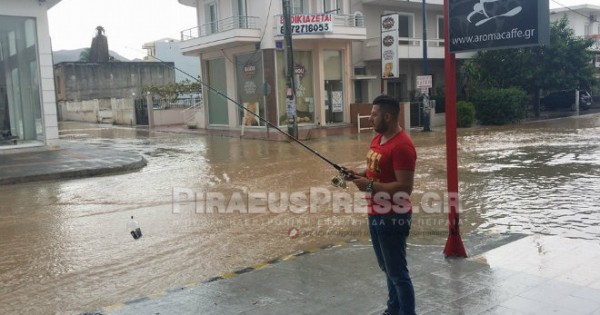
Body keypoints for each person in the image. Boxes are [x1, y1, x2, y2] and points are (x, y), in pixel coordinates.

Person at [347, 94, 417, 315]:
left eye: (374, 115)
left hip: (393, 216)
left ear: (388, 116)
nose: (370, 119)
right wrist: (355, 175)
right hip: (375, 213)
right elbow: (373, 173)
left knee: (398, 273)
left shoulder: (403, 146)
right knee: (387, 268)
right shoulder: (377, 139)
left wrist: (368, 186)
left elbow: (405, 187)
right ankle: (392, 310)